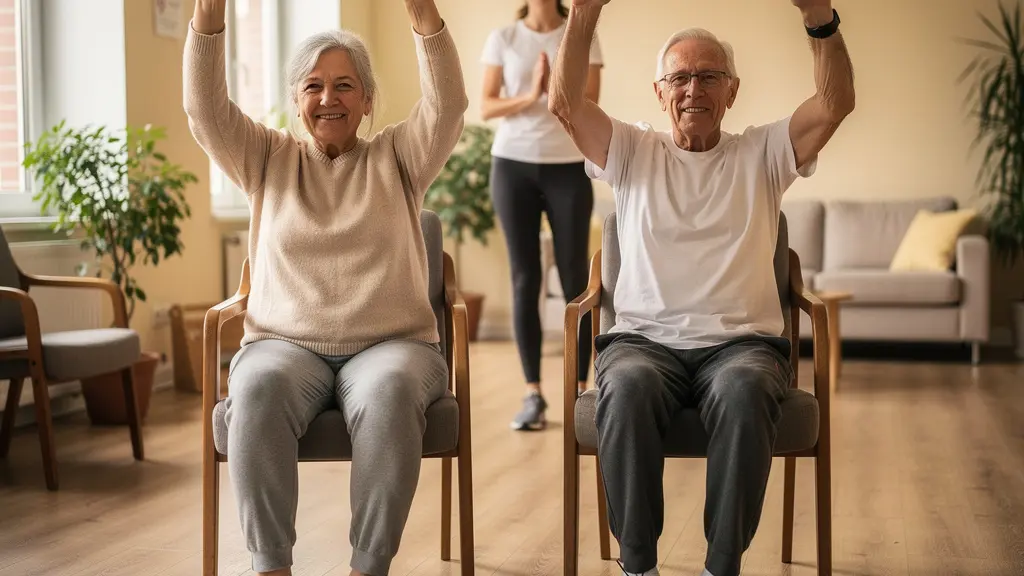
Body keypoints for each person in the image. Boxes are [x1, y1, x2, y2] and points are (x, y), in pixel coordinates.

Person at [548, 0, 854, 575]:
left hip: (743, 346)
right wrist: (584, 12)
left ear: (732, 91)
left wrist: (820, 17)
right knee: (627, 386)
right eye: (680, 78)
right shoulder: (631, 150)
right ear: (659, 92)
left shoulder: (764, 152)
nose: (694, 89)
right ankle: (638, 565)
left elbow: (834, 104)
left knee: (745, 390)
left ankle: (721, 566)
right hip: (642, 343)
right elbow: (565, 104)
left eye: (710, 76)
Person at [183, 0, 468, 574]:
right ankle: (272, 567)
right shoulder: (265, 157)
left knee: (390, 391)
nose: (328, 98)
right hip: (284, 346)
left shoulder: (400, 156)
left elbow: (447, 106)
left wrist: (423, 14)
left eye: (344, 85)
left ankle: (368, 566)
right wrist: (208, 16)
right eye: (313, 85)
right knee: (255, 387)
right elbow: (205, 110)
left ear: (367, 100)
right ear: (296, 100)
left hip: (393, 345)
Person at [480, 0, 604, 431]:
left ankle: (581, 390)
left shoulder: (582, 32)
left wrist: (557, 90)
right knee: (524, 277)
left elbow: (590, 103)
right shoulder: (504, 38)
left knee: (575, 278)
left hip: (568, 166)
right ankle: (533, 393)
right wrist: (531, 94)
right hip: (511, 166)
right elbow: (487, 106)